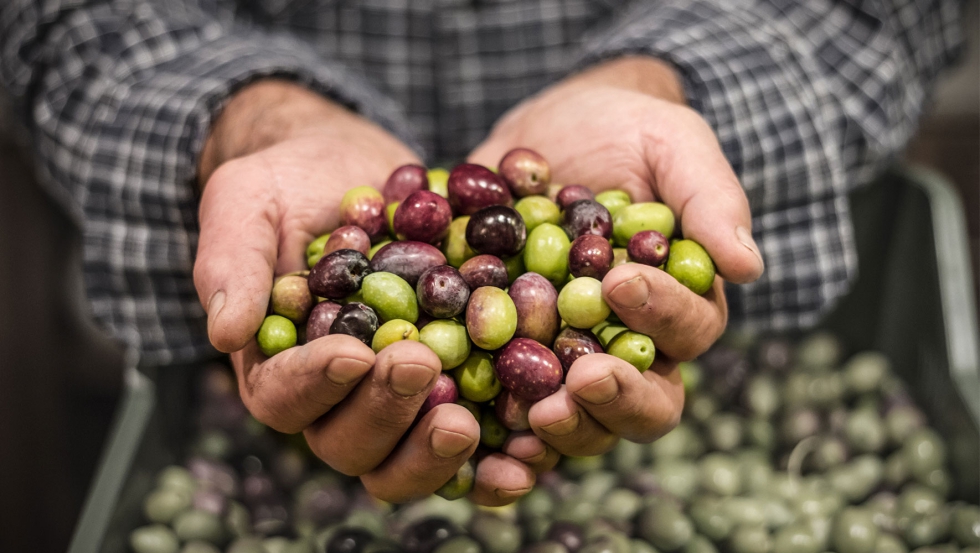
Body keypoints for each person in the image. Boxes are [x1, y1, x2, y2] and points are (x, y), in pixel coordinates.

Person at [0, 0, 962, 504]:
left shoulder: (564, 256)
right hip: (184, 320)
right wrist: (245, 121)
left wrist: (667, 81)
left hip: (721, 294)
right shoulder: (441, 269)